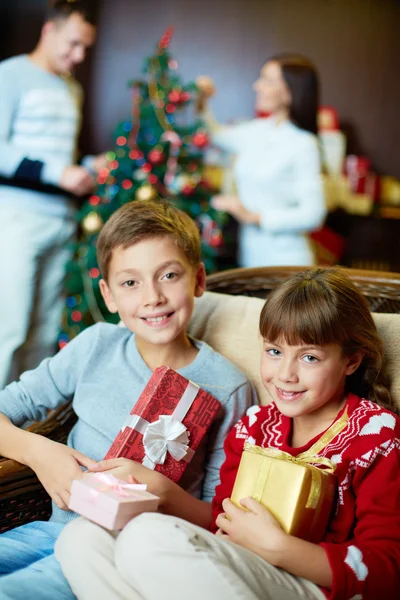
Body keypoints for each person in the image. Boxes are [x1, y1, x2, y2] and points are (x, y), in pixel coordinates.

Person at [55, 267, 400, 600]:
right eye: (275, 352)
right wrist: (161, 492)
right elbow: (220, 520)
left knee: (147, 536)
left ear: (351, 361)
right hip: (238, 569)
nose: (286, 374)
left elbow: (388, 569)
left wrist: (279, 548)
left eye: (309, 358)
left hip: (314, 585)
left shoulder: (378, 435)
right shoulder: (254, 426)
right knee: (82, 537)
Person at [0, 199, 257, 599]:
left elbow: (221, 520)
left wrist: (164, 492)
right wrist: (39, 452)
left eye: (168, 275)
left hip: (120, 558)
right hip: (47, 532)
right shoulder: (96, 346)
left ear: (199, 280)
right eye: (130, 282)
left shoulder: (228, 387)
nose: (152, 297)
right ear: (109, 295)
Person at [0, 0, 106, 389]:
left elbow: (59, 156)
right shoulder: (10, 75)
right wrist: (58, 172)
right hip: (15, 219)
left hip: (61, 219)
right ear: (50, 30)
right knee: (7, 330)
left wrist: (88, 167)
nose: (77, 56)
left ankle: (22, 426)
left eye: (85, 49)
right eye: (73, 44)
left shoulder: (71, 88)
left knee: (45, 333)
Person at [196, 54, 326, 268]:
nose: (257, 86)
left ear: (290, 92)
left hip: (287, 263)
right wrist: (203, 101)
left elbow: (313, 214)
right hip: (251, 259)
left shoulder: (304, 144)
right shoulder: (257, 130)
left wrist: (252, 216)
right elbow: (215, 133)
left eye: (267, 80)